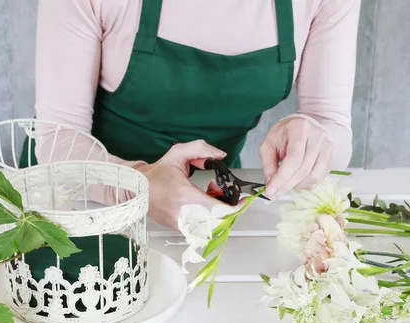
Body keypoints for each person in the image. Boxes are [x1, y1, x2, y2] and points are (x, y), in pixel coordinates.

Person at [31, 0, 360, 230]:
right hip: (78, 200)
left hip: (207, 208)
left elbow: (331, 121)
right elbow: (56, 139)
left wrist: (312, 135)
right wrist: (139, 182)